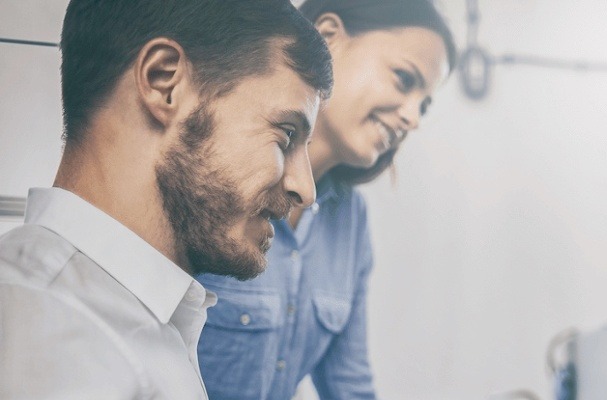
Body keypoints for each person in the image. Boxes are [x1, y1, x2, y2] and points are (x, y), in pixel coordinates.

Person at [0, 0, 333, 398]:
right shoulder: (49, 330)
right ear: (164, 82)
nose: (305, 188)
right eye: (286, 135)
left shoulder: (139, 317)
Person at [194, 0, 456, 399]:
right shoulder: (210, 171)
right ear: (328, 36)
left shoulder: (351, 220)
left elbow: (349, 385)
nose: (413, 118)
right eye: (404, 79)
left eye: (425, 104)